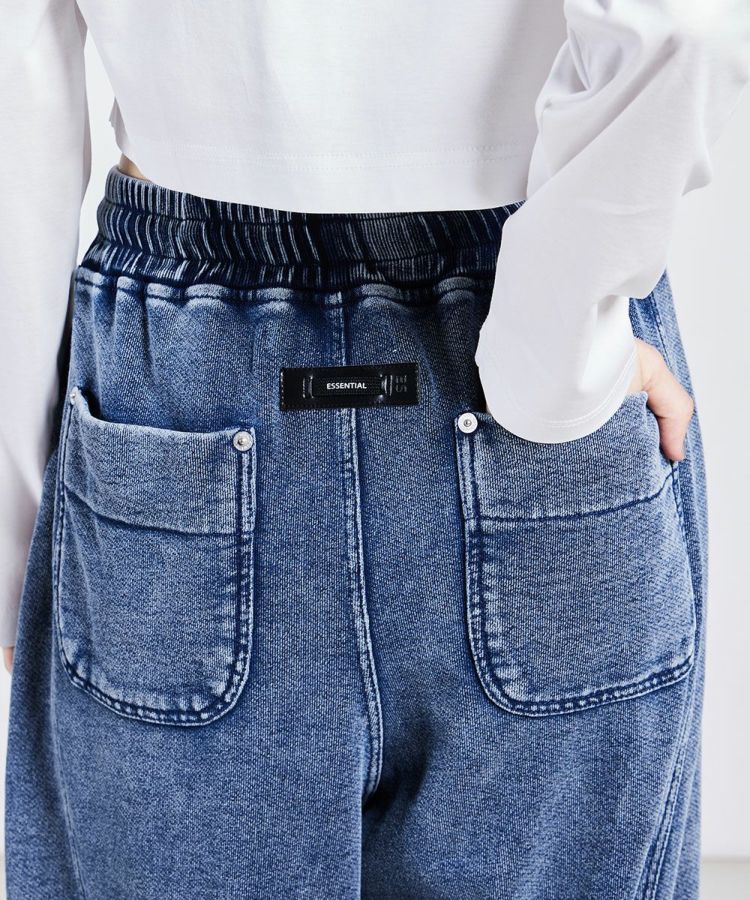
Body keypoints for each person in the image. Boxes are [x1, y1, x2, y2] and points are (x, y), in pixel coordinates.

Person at [1, 1, 748, 897]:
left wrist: (13, 536)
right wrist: (561, 355)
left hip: (177, 385)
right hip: (524, 358)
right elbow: (681, 24)